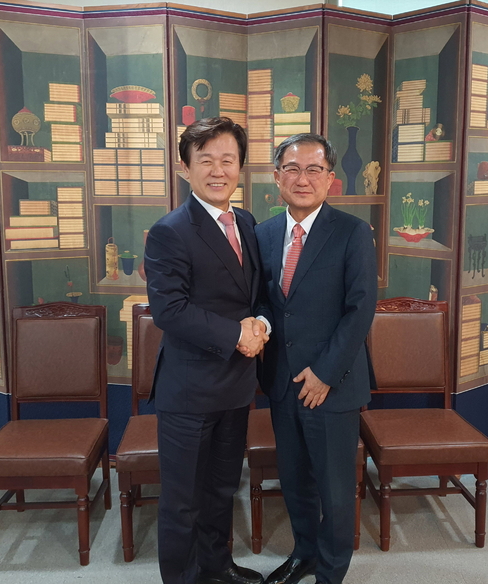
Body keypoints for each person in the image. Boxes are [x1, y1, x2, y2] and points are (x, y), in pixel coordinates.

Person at [144, 117, 268, 584]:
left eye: (228, 160)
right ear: (185, 168)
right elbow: (170, 311)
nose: (219, 171)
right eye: (206, 160)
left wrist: (261, 324)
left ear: (240, 167)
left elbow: (257, 294)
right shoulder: (170, 231)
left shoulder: (247, 222)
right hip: (189, 390)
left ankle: (218, 567)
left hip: (237, 384)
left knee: (221, 489)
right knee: (183, 500)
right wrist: (237, 334)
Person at [255, 134, 378, 584]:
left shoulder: (352, 232)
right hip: (282, 382)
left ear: (330, 179)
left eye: (313, 170)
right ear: (277, 177)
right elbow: (263, 301)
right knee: (295, 481)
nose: (302, 179)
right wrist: (259, 324)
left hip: (332, 383)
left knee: (336, 488)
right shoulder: (264, 234)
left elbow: (360, 309)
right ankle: (304, 553)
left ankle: (330, 572)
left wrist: (325, 372)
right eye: (292, 169)